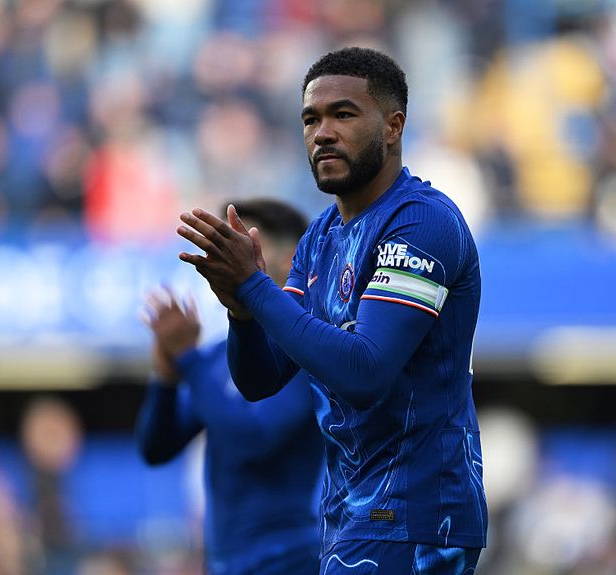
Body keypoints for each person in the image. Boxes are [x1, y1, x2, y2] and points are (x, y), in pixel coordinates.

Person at [177, 47, 487, 574]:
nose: (322, 132)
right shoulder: (321, 235)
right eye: (310, 118)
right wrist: (241, 310)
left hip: (416, 515)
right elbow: (263, 376)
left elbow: (365, 371)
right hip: (349, 513)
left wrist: (254, 286)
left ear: (393, 126)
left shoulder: (422, 222)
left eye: (343, 114)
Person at [135, 199, 323, 575]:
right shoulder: (222, 355)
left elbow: (254, 437)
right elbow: (156, 447)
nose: (226, 259)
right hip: (223, 562)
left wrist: (188, 359)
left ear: (291, 260)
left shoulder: (308, 349)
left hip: (285, 559)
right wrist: (167, 378)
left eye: (245, 247)